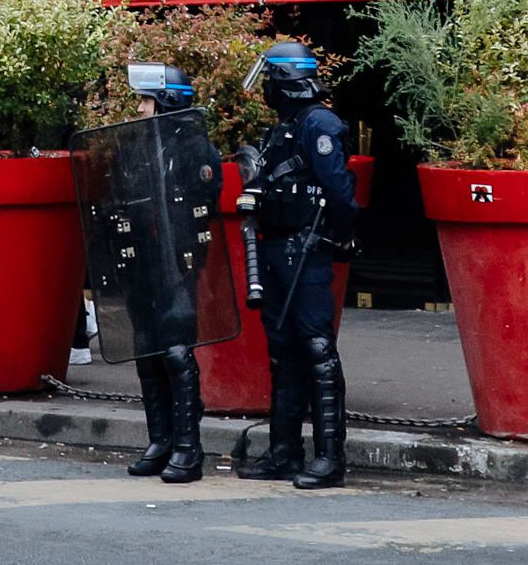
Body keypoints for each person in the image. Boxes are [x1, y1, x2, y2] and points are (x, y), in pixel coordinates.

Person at [232, 45, 358, 490]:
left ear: (286, 80)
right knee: (283, 351)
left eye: (270, 78)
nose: (265, 87)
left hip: (306, 250)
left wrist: (340, 236)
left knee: (317, 348)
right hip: (276, 249)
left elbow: (340, 192)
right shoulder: (283, 127)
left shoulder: (319, 124)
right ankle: (284, 453)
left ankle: (329, 458)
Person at [88, 62, 209, 482]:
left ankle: (188, 447)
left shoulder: (193, 146)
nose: (139, 108)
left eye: (146, 100)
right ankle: (161, 439)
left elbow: (203, 200)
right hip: (142, 259)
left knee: (175, 348)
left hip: (177, 262)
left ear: (167, 102)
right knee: (145, 346)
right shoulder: (138, 144)